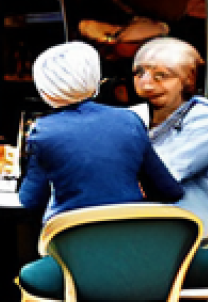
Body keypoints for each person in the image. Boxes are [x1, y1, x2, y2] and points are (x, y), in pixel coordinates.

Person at [19, 41, 184, 219]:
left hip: (71, 239)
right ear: (95, 78)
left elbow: (31, 200)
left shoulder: (44, 131)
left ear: (45, 89)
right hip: (130, 237)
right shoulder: (129, 120)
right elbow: (169, 191)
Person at [132, 38, 208, 231]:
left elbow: (158, 178)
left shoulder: (205, 120)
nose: (146, 84)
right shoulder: (132, 117)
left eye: (161, 76)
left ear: (189, 79)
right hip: (146, 232)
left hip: (198, 238)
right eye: (139, 73)